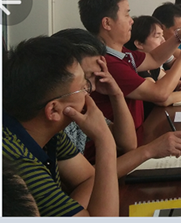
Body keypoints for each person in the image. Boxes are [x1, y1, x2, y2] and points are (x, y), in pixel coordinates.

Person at [3, 36, 118, 217]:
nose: (89, 92)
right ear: (54, 110)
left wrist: (78, 213)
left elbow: (89, 177)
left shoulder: (46, 129)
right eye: (83, 87)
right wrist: (105, 141)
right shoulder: (15, 161)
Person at [52, 28, 181, 177]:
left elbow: (128, 144)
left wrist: (116, 94)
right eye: (86, 78)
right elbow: (88, 180)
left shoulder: (82, 106)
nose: (91, 88)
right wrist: (149, 151)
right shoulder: (58, 122)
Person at [78, 0, 181, 145]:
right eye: (126, 14)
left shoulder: (120, 52)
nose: (131, 20)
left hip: (137, 137)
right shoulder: (107, 62)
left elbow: (154, 58)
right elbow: (159, 94)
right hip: (119, 149)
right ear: (107, 23)